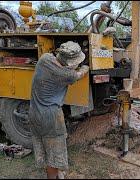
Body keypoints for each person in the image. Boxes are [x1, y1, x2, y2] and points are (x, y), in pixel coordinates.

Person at [28, 41, 89, 179]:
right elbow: (80, 74)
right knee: (54, 156)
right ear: (71, 62)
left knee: (45, 148)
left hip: (34, 113)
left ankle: (55, 174)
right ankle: (53, 176)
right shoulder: (67, 75)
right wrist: (85, 67)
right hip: (51, 118)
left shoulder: (44, 59)